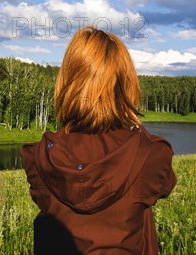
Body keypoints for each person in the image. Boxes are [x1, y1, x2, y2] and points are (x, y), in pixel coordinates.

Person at [21, 25, 176, 254]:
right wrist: (137, 131)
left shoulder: (39, 157)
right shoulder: (151, 153)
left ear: (68, 81)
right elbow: (164, 186)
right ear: (125, 84)